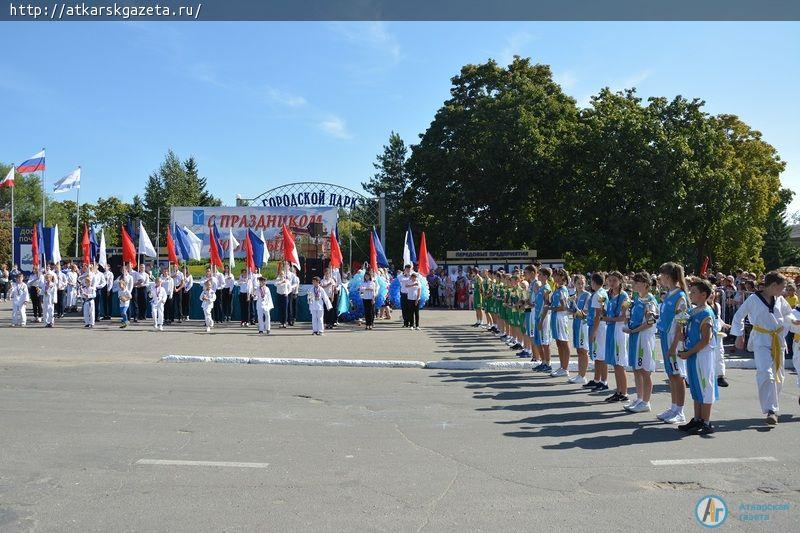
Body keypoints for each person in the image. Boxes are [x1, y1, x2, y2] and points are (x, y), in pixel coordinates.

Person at [731, 271, 800, 426]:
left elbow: (788, 314)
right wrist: (739, 335)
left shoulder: (780, 299)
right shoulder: (754, 299)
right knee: (766, 373)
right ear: (773, 286)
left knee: (778, 376)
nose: (783, 291)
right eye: (782, 287)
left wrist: (793, 321)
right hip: (761, 339)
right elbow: (738, 316)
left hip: (778, 339)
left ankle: (772, 406)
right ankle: (771, 410)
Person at [676, 279, 719, 435]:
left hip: (702, 356)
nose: (690, 294)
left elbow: (705, 340)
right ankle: (697, 419)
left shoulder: (706, 313)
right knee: (695, 387)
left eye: (693, 292)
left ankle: (705, 422)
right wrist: (681, 331)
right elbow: (688, 333)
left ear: (703, 295)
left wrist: (688, 352)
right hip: (693, 354)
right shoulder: (694, 311)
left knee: (705, 387)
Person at [656, 262, 690, 424]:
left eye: (661, 275)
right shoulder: (669, 294)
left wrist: (674, 345)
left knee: (678, 375)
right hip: (665, 337)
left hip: (674, 340)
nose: (659, 278)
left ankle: (680, 411)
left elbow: (681, 323)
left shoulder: (680, 296)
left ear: (668, 276)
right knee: (671, 375)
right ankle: (673, 407)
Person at [622, 272, 658, 413]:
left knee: (644, 370)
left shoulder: (650, 300)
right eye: (634, 282)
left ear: (645, 284)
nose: (633, 284)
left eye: (637, 282)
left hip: (643, 338)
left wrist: (633, 330)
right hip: (635, 336)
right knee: (636, 369)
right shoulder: (637, 298)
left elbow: (650, 322)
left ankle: (646, 402)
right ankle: (639, 398)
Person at [602, 271, 630, 403]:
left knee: (619, 363)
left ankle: (623, 392)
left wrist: (608, 318)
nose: (611, 283)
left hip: (619, 330)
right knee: (614, 362)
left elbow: (623, 317)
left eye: (614, 280)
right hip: (611, 329)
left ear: (620, 281)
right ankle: (618, 391)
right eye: (610, 280)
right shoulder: (608, 295)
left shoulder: (624, 296)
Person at [586, 272, 610, 391]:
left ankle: (604, 381)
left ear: (594, 282)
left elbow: (598, 314)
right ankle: (597, 379)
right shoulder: (602, 292)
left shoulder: (597, 295)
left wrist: (594, 331)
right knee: (597, 355)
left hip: (599, 326)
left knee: (601, 355)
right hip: (600, 325)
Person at [569, 274, 591, 385]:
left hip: (583, 325)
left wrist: (578, 312)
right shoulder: (573, 296)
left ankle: (583, 375)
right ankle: (579, 374)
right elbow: (570, 311)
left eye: (582, 283)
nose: (581, 285)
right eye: (578, 283)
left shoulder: (587, 295)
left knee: (583, 350)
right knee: (578, 350)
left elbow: (586, 313)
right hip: (576, 323)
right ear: (574, 284)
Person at [549, 268, 571, 378]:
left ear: (562, 277)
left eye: (556, 275)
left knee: (563, 342)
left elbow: (564, 307)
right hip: (555, 317)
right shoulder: (557, 289)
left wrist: (551, 308)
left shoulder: (563, 290)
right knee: (558, 342)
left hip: (561, 318)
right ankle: (562, 367)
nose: (553, 277)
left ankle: (565, 368)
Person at [532, 267, 553, 373]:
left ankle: (548, 364)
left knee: (545, 342)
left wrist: (541, 320)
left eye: (540, 274)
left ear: (545, 276)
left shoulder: (547, 288)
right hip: (537, 317)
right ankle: (543, 362)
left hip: (543, 318)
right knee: (539, 341)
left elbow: (546, 305)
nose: (538, 276)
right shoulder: (541, 287)